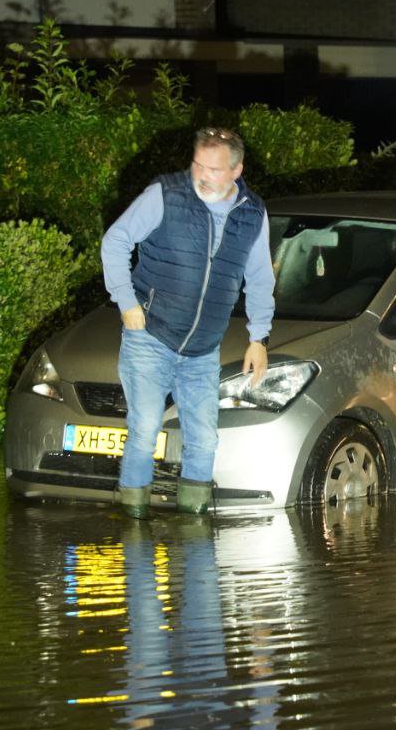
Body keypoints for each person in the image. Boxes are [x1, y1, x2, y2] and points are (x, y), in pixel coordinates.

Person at [101, 126, 275, 519]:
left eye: (213, 169)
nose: (201, 175)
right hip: (151, 336)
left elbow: (260, 277)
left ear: (236, 170)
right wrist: (126, 302)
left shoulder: (252, 212)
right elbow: (116, 241)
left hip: (203, 348)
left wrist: (258, 337)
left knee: (203, 442)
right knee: (145, 433)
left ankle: (194, 535)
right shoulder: (165, 195)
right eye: (197, 164)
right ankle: (133, 529)